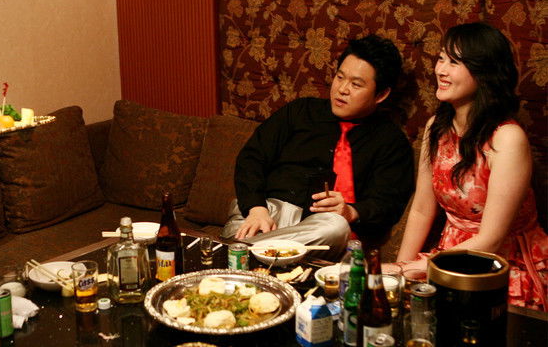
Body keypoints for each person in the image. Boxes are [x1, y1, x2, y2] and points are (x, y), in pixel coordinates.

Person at [395, 22, 548, 310]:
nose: (441, 70)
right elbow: (421, 209)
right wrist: (399, 273)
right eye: (441, 58)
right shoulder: (436, 127)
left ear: (484, 72)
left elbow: (491, 240)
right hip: (449, 253)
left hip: (502, 264)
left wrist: (421, 267)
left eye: (454, 62)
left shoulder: (507, 138)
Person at [222, 35, 415, 259]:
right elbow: (251, 158)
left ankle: (237, 253)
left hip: (318, 230)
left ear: (381, 94)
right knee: (242, 213)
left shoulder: (391, 142)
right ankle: (259, 254)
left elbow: (388, 203)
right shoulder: (300, 111)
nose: (342, 89)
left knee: (336, 227)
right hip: (267, 212)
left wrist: (351, 211)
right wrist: (257, 209)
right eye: (340, 77)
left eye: (356, 84)